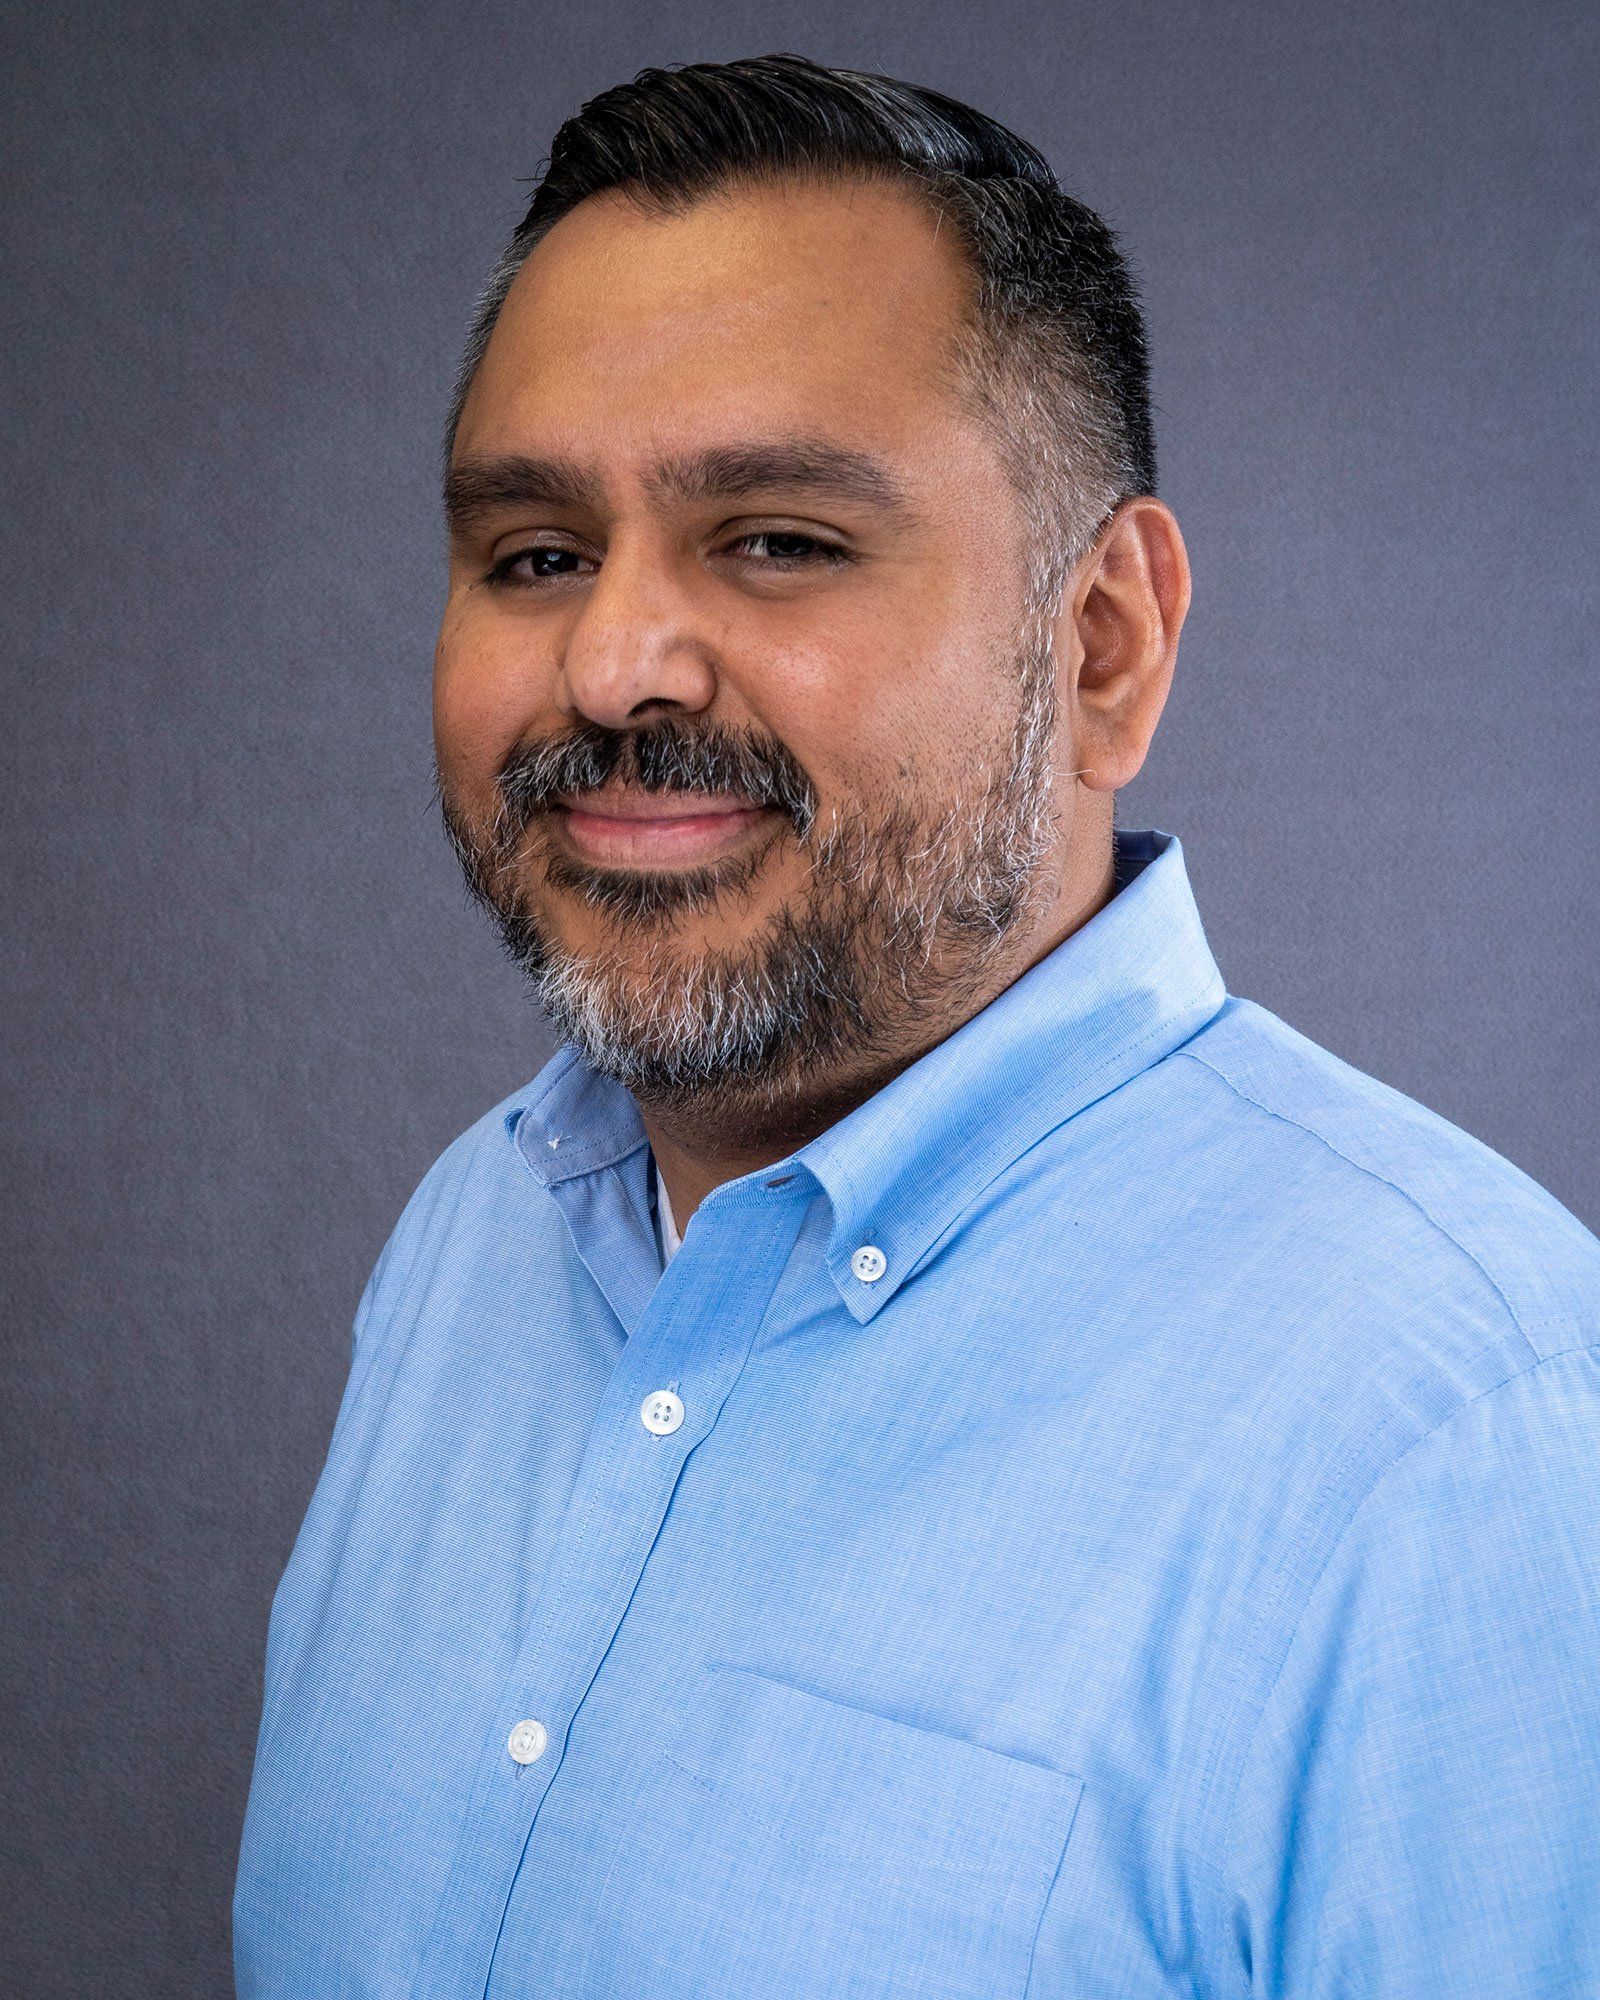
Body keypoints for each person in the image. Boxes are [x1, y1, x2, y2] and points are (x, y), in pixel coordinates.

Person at [232, 52, 1600, 2000]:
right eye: (533, 553)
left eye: (777, 537)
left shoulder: (1469, 1451)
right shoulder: (468, 1244)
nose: (612, 659)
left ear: (1100, 643)